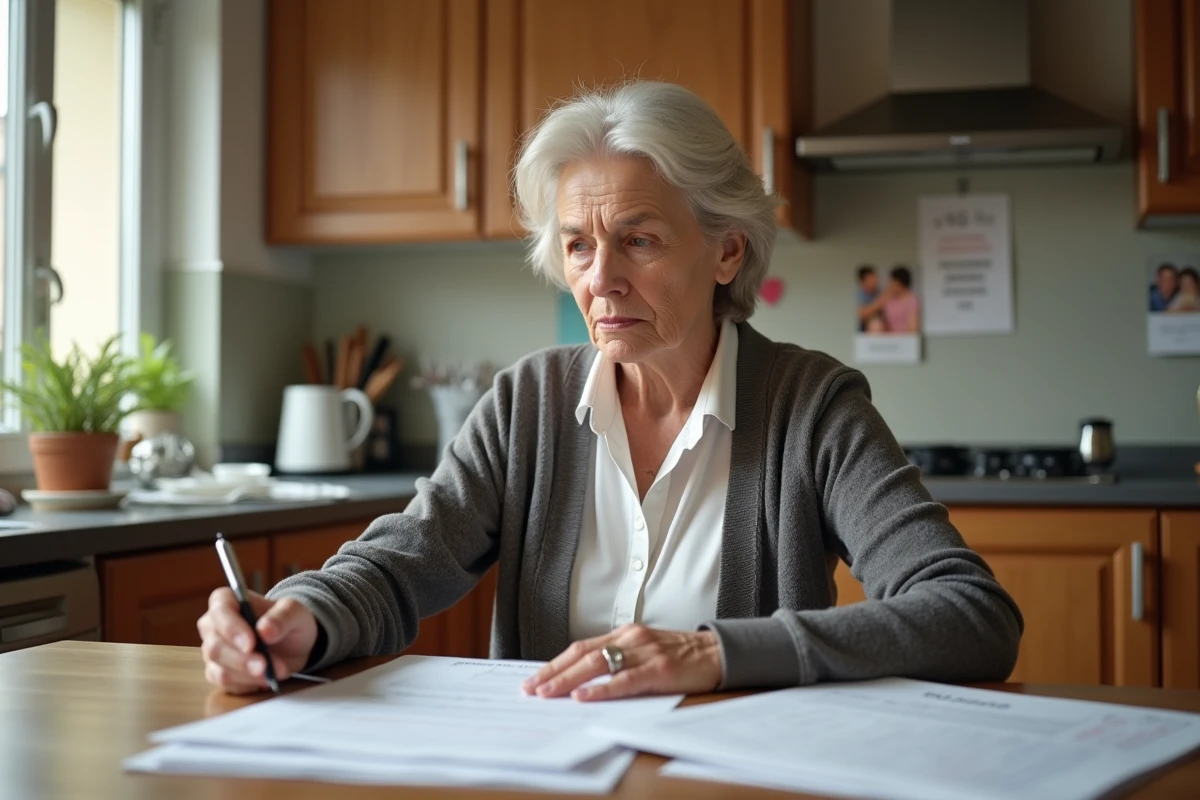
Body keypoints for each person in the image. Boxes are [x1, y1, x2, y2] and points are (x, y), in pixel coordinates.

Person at [198, 81, 1022, 700]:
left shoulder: (812, 406)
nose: (601, 281)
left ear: (727, 252)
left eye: (639, 240)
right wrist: (297, 617)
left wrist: (712, 653)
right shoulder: (528, 404)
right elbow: (402, 563)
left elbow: (971, 614)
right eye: (579, 246)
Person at [882, 266, 920, 334]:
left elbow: (913, 327)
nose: (890, 284)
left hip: (905, 340)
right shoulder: (887, 298)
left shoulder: (911, 299)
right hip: (888, 338)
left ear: (900, 283)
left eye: (893, 281)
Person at [855, 265, 879, 332]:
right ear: (862, 281)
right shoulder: (860, 294)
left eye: (875, 277)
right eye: (871, 278)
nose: (875, 280)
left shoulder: (879, 292)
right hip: (864, 333)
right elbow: (862, 314)